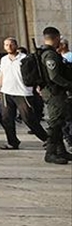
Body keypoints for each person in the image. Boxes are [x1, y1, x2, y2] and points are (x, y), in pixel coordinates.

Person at [0, 37, 48, 149]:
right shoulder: (4, 59)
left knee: (28, 118)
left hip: (22, 92)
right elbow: (1, 74)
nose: (9, 47)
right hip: (6, 92)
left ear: (16, 45)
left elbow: (34, 74)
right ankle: (12, 142)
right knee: (7, 119)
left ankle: (47, 139)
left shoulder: (25, 58)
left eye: (11, 44)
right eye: (6, 45)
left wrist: (37, 86)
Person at [37, 26, 71, 164]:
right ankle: (50, 153)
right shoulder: (50, 55)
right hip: (54, 92)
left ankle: (61, 151)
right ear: (56, 37)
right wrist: (69, 85)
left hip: (52, 92)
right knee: (55, 123)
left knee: (60, 120)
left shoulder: (45, 52)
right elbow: (54, 76)